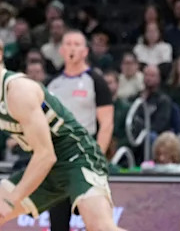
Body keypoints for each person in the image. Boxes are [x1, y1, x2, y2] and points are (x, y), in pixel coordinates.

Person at [0, 32, 123, 231]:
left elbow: (46, 155)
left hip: (77, 157)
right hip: (45, 164)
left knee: (100, 227)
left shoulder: (18, 90)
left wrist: (11, 201)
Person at [45, 30, 115, 231]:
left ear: (85, 51)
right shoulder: (52, 84)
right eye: (68, 44)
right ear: (61, 50)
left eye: (77, 44)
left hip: (85, 156)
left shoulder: (96, 81)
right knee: (58, 222)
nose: (72, 48)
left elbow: (107, 123)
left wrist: (97, 159)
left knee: (96, 223)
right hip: (58, 159)